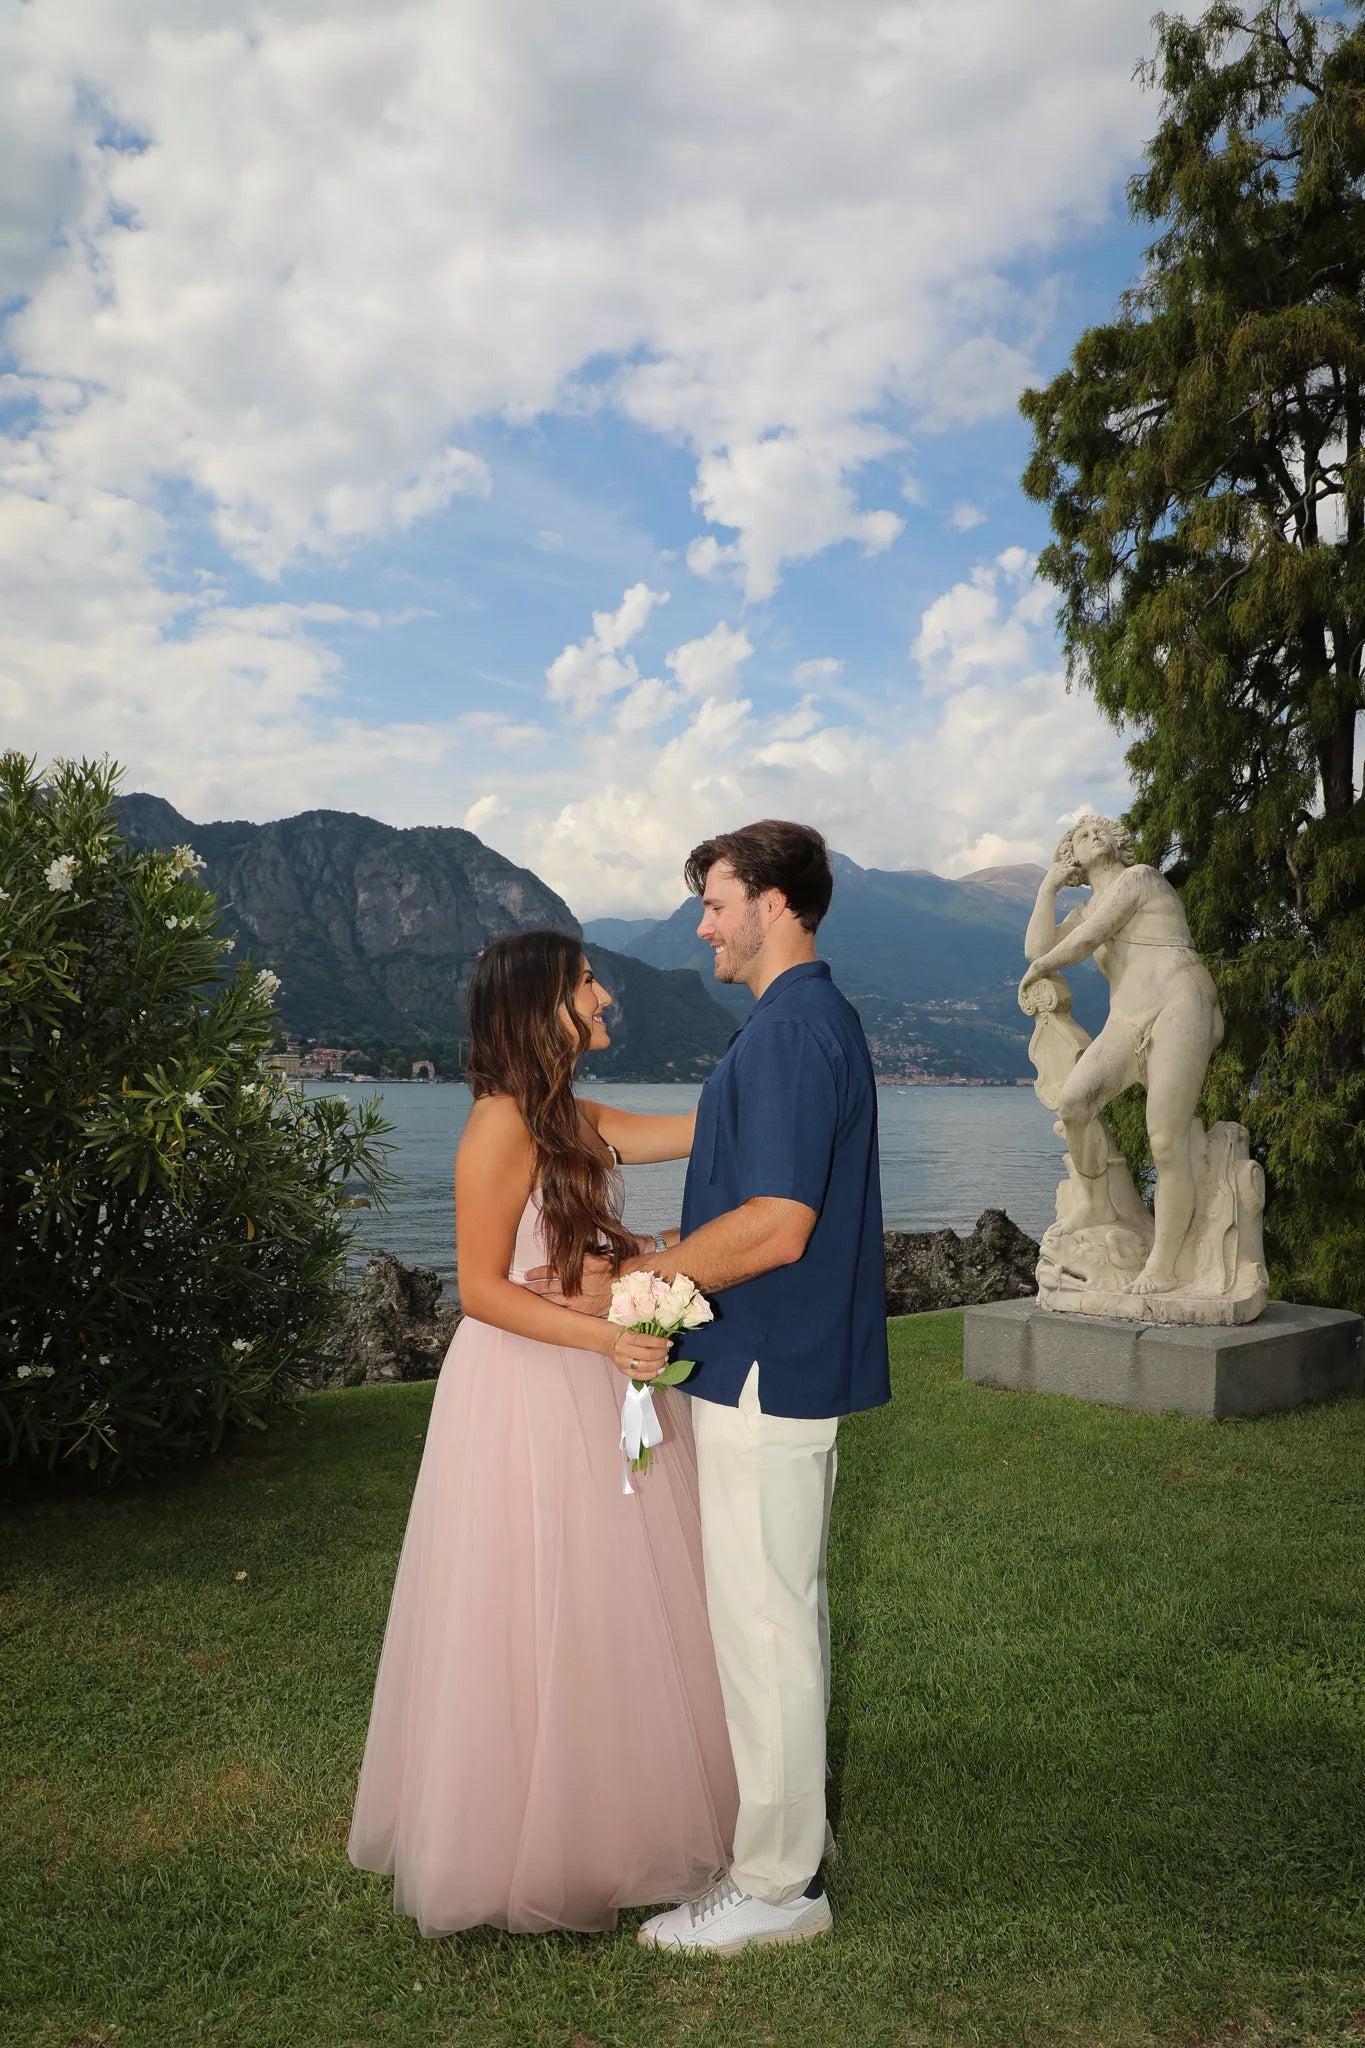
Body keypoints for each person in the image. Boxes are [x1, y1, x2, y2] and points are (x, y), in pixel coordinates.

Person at [531, 821, 890, 1954]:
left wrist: (645, 1277)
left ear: (775, 902)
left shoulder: (790, 1031)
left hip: (767, 1369)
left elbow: (778, 1227)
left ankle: (779, 1885)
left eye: (718, 901)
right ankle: (780, 1861)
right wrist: (671, 1251)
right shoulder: (798, 1024)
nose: (703, 924)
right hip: (770, 1364)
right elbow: (750, 1200)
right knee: (775, 1614)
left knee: (766, 1625)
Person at [348, 929, 737, 1937]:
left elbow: (688, 1130)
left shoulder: (569, 1116)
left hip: (583, 1367)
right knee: (529, 1608)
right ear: (539, 1006)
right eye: (585, 984)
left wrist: (777, 1087)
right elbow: (479, 1292)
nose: (605, 994)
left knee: (619, 1610)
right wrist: (604, 1333)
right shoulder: (497, 1124)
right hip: (522, 1390)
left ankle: (617, 1816)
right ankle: (522, 1837)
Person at [1018, 814, 1224, 1294]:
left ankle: (1165, 1263)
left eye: (1098, 833)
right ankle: (1094, 1201)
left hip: (1180, 1001)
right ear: (1072, 857)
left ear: (1117, 845)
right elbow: (1037, 948)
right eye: (1078, 837)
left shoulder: (1140, 878)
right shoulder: (1086, 908)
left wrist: (1042, 970)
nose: (1090, 837)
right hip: (1126, 1018)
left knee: (1166, 1140)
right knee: (1073, 1105)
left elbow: (1084, 941)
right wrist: (1048, 888)